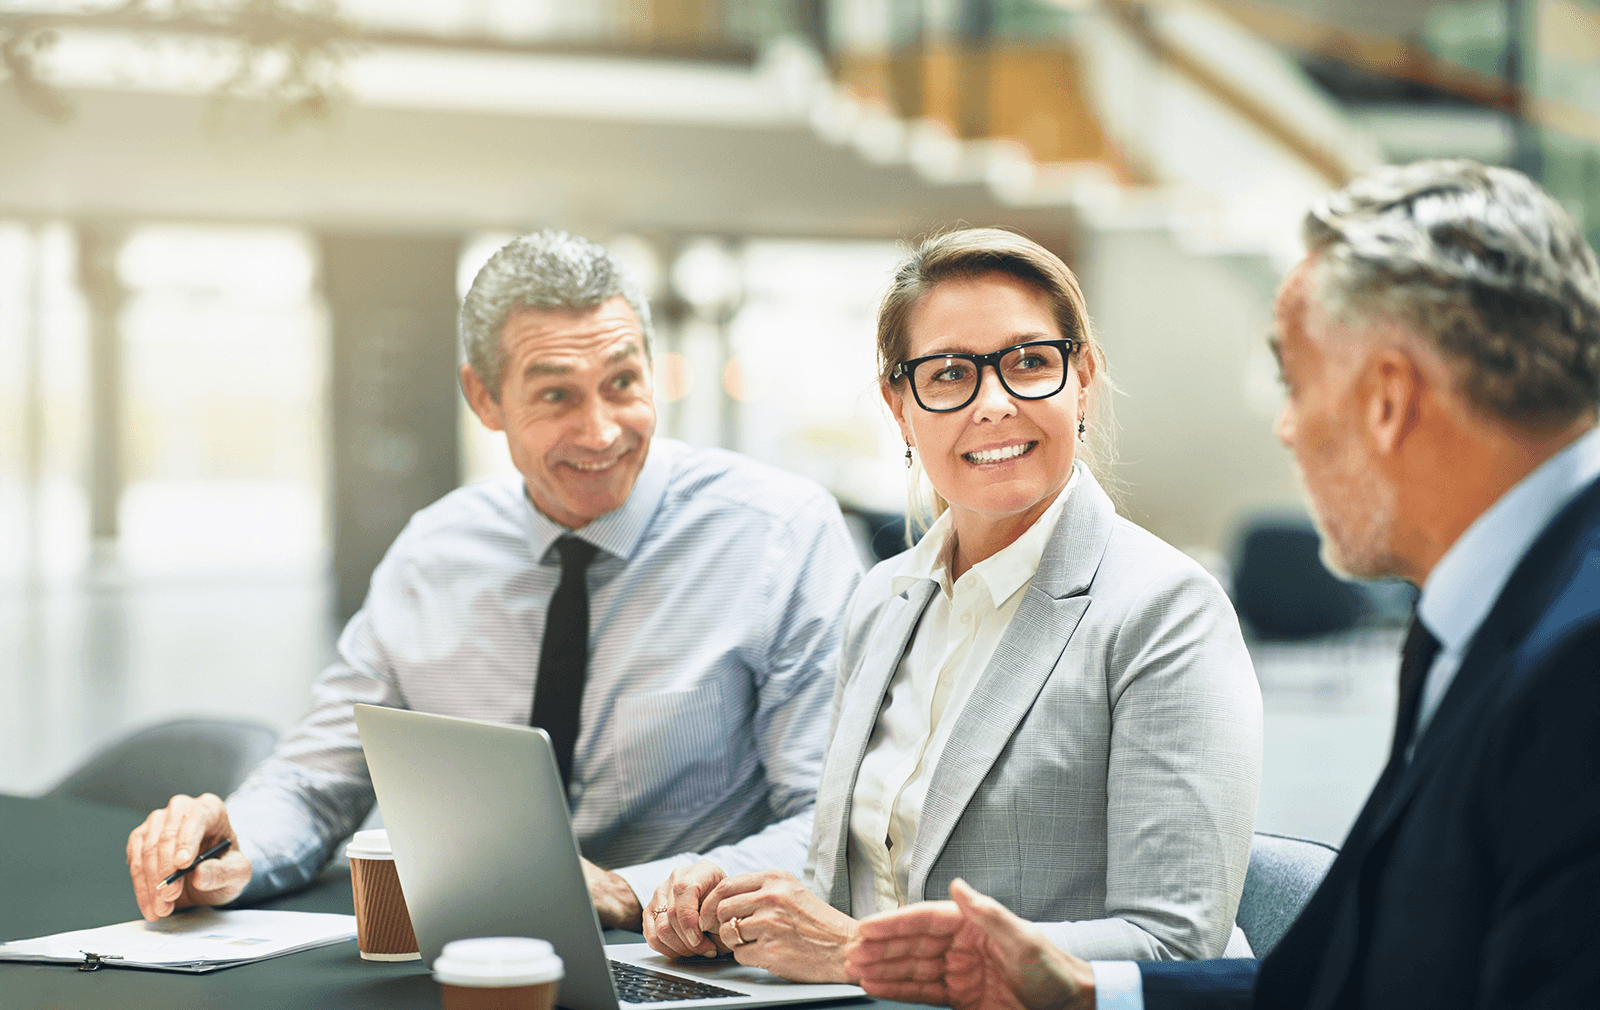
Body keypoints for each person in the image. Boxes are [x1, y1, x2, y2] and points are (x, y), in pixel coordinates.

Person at [845, 161, 1600, 1010]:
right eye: (948, 373)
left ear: (1387, 399)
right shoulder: (1481, 621)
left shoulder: (1574, 664)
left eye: (1293, 383)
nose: (1285, 429)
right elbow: (1355, 979)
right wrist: (1087, 987)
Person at [123, 230, 862, 930]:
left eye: (623, 382)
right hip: (472, 954)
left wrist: (628, 892)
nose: (602, 431)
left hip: (693, 959)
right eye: (556, 396)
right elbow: (319, 780)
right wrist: (230, 849)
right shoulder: (433, 553)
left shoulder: (781, 534)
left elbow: (834, 827)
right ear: (484, 399)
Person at [639, 229, 1263, 982]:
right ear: (900, 408)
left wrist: (853, 953)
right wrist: (735, 908)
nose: (994, 404)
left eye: (1030, 362)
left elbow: (1175, 945)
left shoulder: (1164, 611)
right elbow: (864, 879)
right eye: (948, 374)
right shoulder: (884, 599)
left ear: (1083, 379)